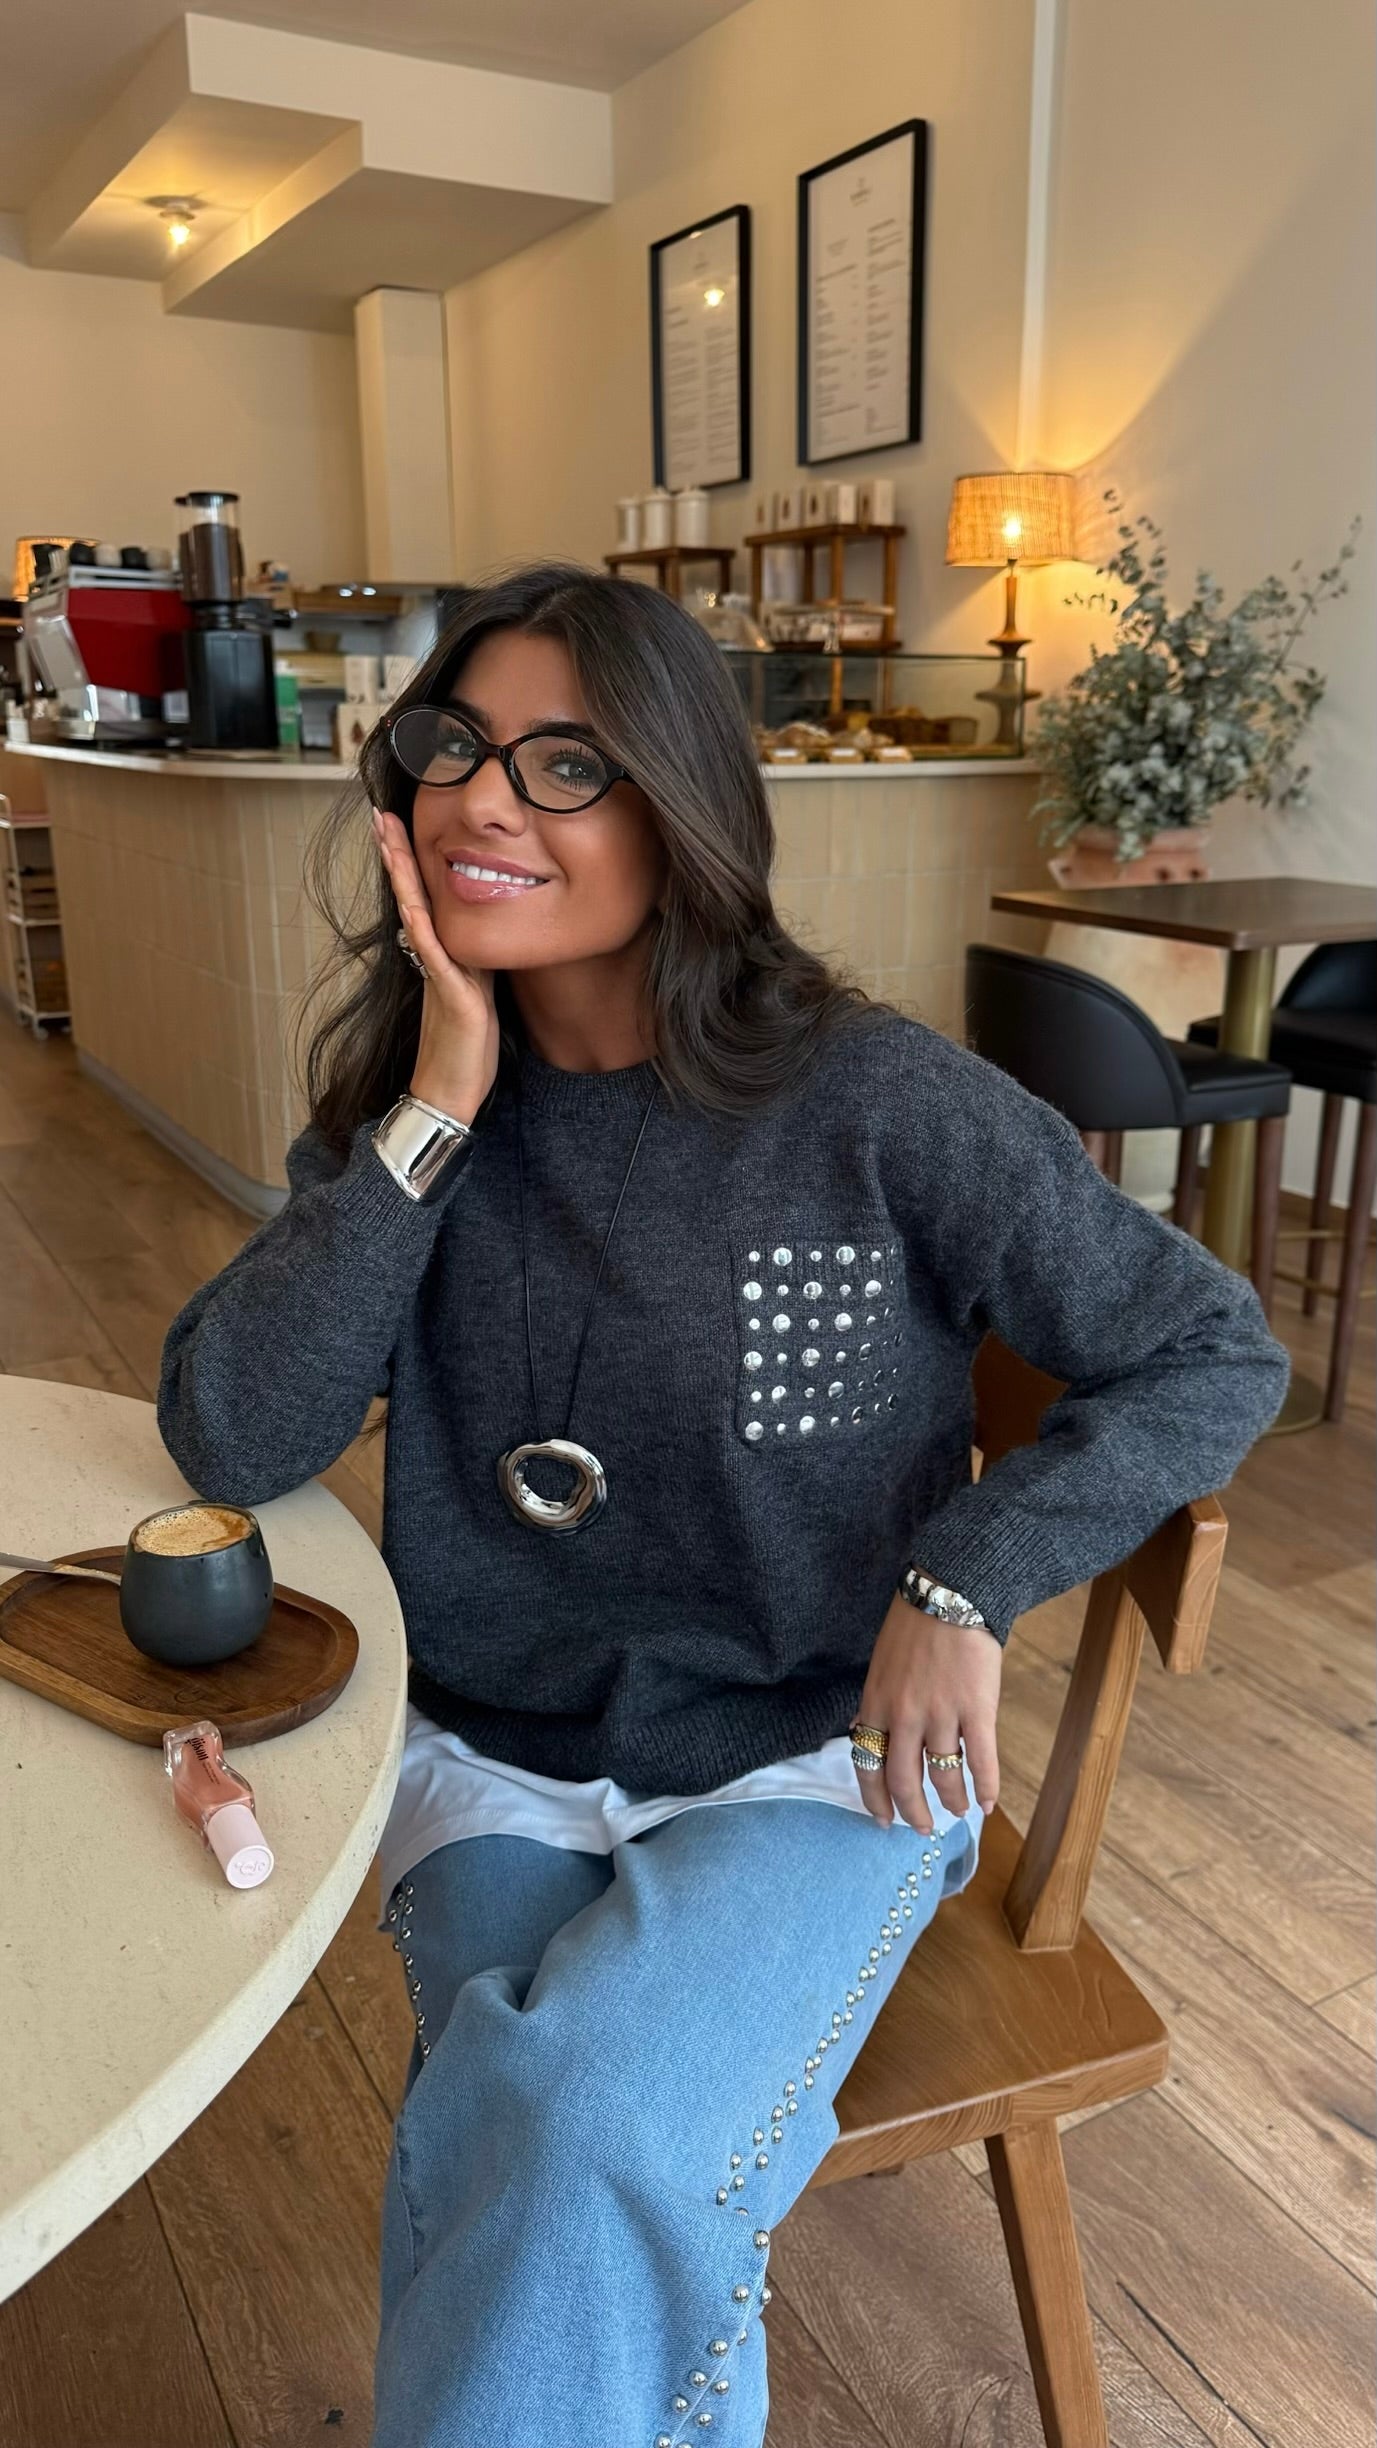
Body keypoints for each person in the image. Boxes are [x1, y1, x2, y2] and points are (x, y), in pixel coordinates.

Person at [155, 564, 1290, 2448]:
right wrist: (436, 1105)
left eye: (563, 764)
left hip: (811, 1759)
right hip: (495, 1750)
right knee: (565, 2142)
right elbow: (230, 1434)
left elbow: (1207, 1350)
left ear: (680, 813)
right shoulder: (404, 1106)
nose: (482, 800)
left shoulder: (874, 1104)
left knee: (564, 2127)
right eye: (453, 748)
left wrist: (964, 1579)